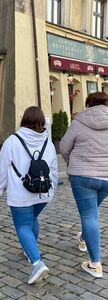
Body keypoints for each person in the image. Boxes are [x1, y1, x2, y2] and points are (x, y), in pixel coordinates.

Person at [0, 106, 58, 285]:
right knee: (32, 220)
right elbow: (53, 168)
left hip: (20, 193)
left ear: (24, 119)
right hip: (43, 192)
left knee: (23, 226)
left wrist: (0, 187)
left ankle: (37, 263)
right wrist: (51, 189)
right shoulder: (48, 142)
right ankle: (29, 249)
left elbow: (3, 166)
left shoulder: (12, 141)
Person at [60, 92, 108, 278]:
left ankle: (95, 264)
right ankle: (83, 238)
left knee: (89, 215)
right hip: (106, 177)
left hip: (82, 175)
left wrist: (71, 163)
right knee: (91, 212)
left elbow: (64, 147)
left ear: (89, 103)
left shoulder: (79, 121)